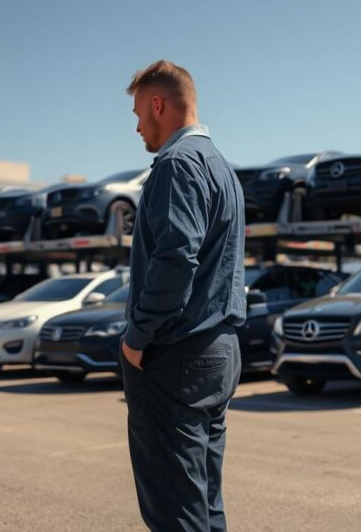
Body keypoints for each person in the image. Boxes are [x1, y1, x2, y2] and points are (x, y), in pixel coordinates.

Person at [121, 59, 246, 532]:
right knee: (204, 505)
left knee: (176, 512)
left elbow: (176, 261)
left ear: (159, 104)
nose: (136, 126)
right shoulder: (222, 169)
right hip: (217, 353)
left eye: (137, 113)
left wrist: (136, 337)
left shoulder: (177, 165)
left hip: (175, 357)